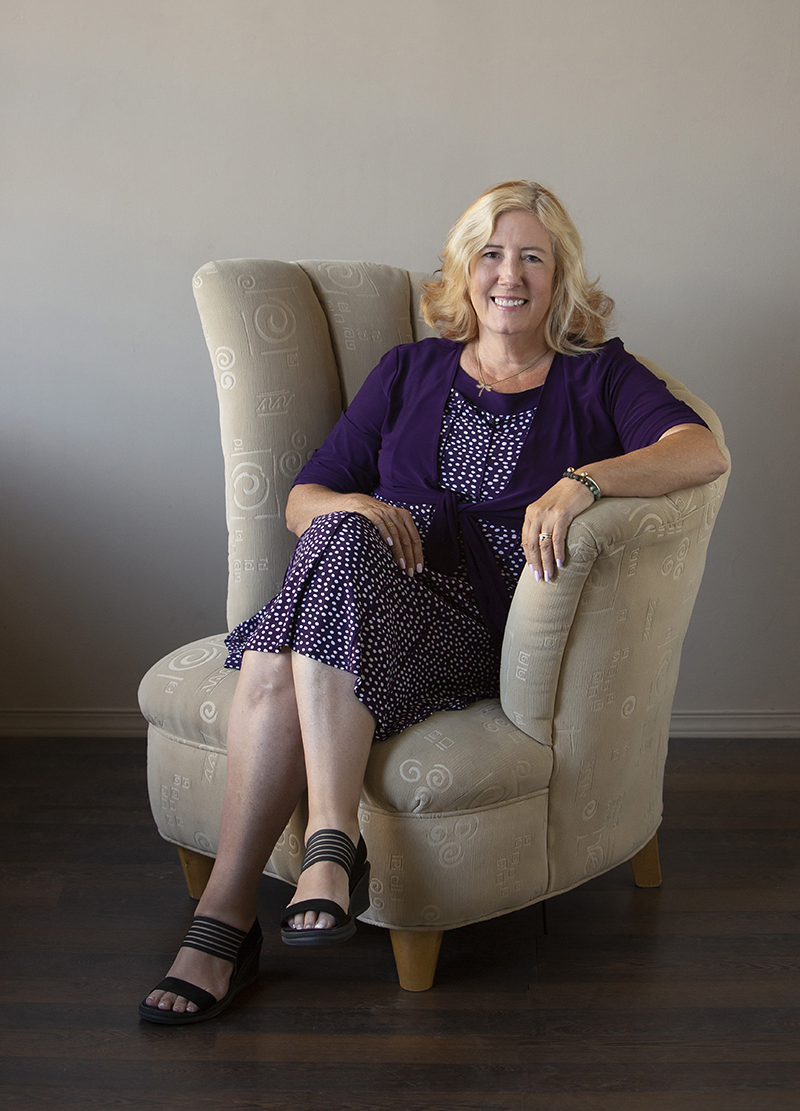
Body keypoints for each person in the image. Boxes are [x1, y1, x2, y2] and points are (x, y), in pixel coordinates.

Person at [139, 180, 728, 1024]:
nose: (509, 275)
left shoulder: (597, 377)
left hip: (471, 629)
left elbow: (699, 451)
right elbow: (304, 498)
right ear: (464, 269)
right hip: (363, 601)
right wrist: (357, 507)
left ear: (560, 275)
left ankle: (233, 916)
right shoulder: (407, 371)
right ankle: (319, 857)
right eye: (491, 254)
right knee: (338, 541)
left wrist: (585, 481)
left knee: (276, 652)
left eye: (532, 256)